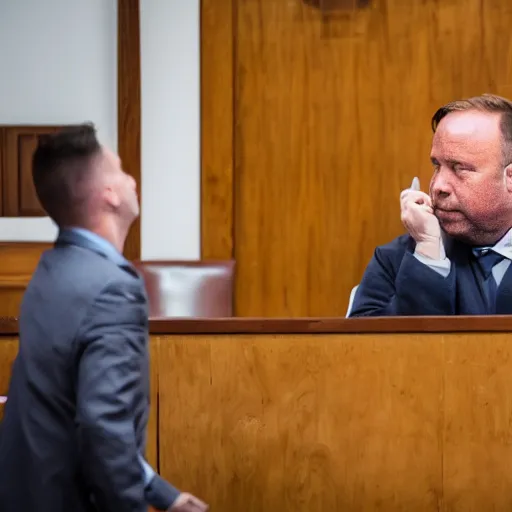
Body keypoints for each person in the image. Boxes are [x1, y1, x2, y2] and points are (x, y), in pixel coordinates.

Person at [0, 124, 208, 512]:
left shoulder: (51, 272)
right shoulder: (112, 289)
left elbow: (67, 408)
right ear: (109, 194)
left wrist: (164, 494)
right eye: (121, 169)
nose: (132, 179)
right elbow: (103, 427)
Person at [350, 94, 512, 316]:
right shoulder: (397, 259)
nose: (438, 186)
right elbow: (367, 348)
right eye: (437, 165)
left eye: (460, 168)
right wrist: (427, 257)